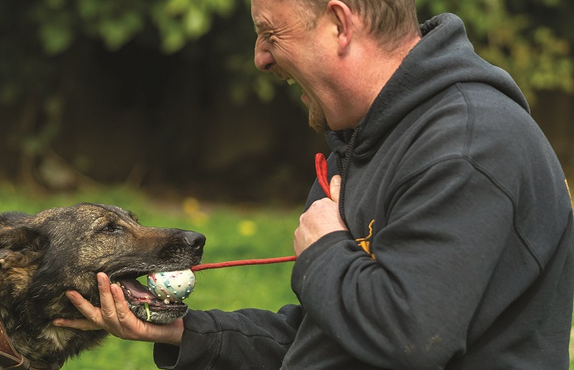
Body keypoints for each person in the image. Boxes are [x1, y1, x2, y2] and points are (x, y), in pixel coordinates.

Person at [53, 0, 574, 368]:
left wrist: (326, 250)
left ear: (339, 23)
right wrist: (186, 333)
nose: (260, 57)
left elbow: (411, 338)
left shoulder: (467, 146)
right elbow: (329, 339)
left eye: (269, 33)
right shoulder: (359, 143)